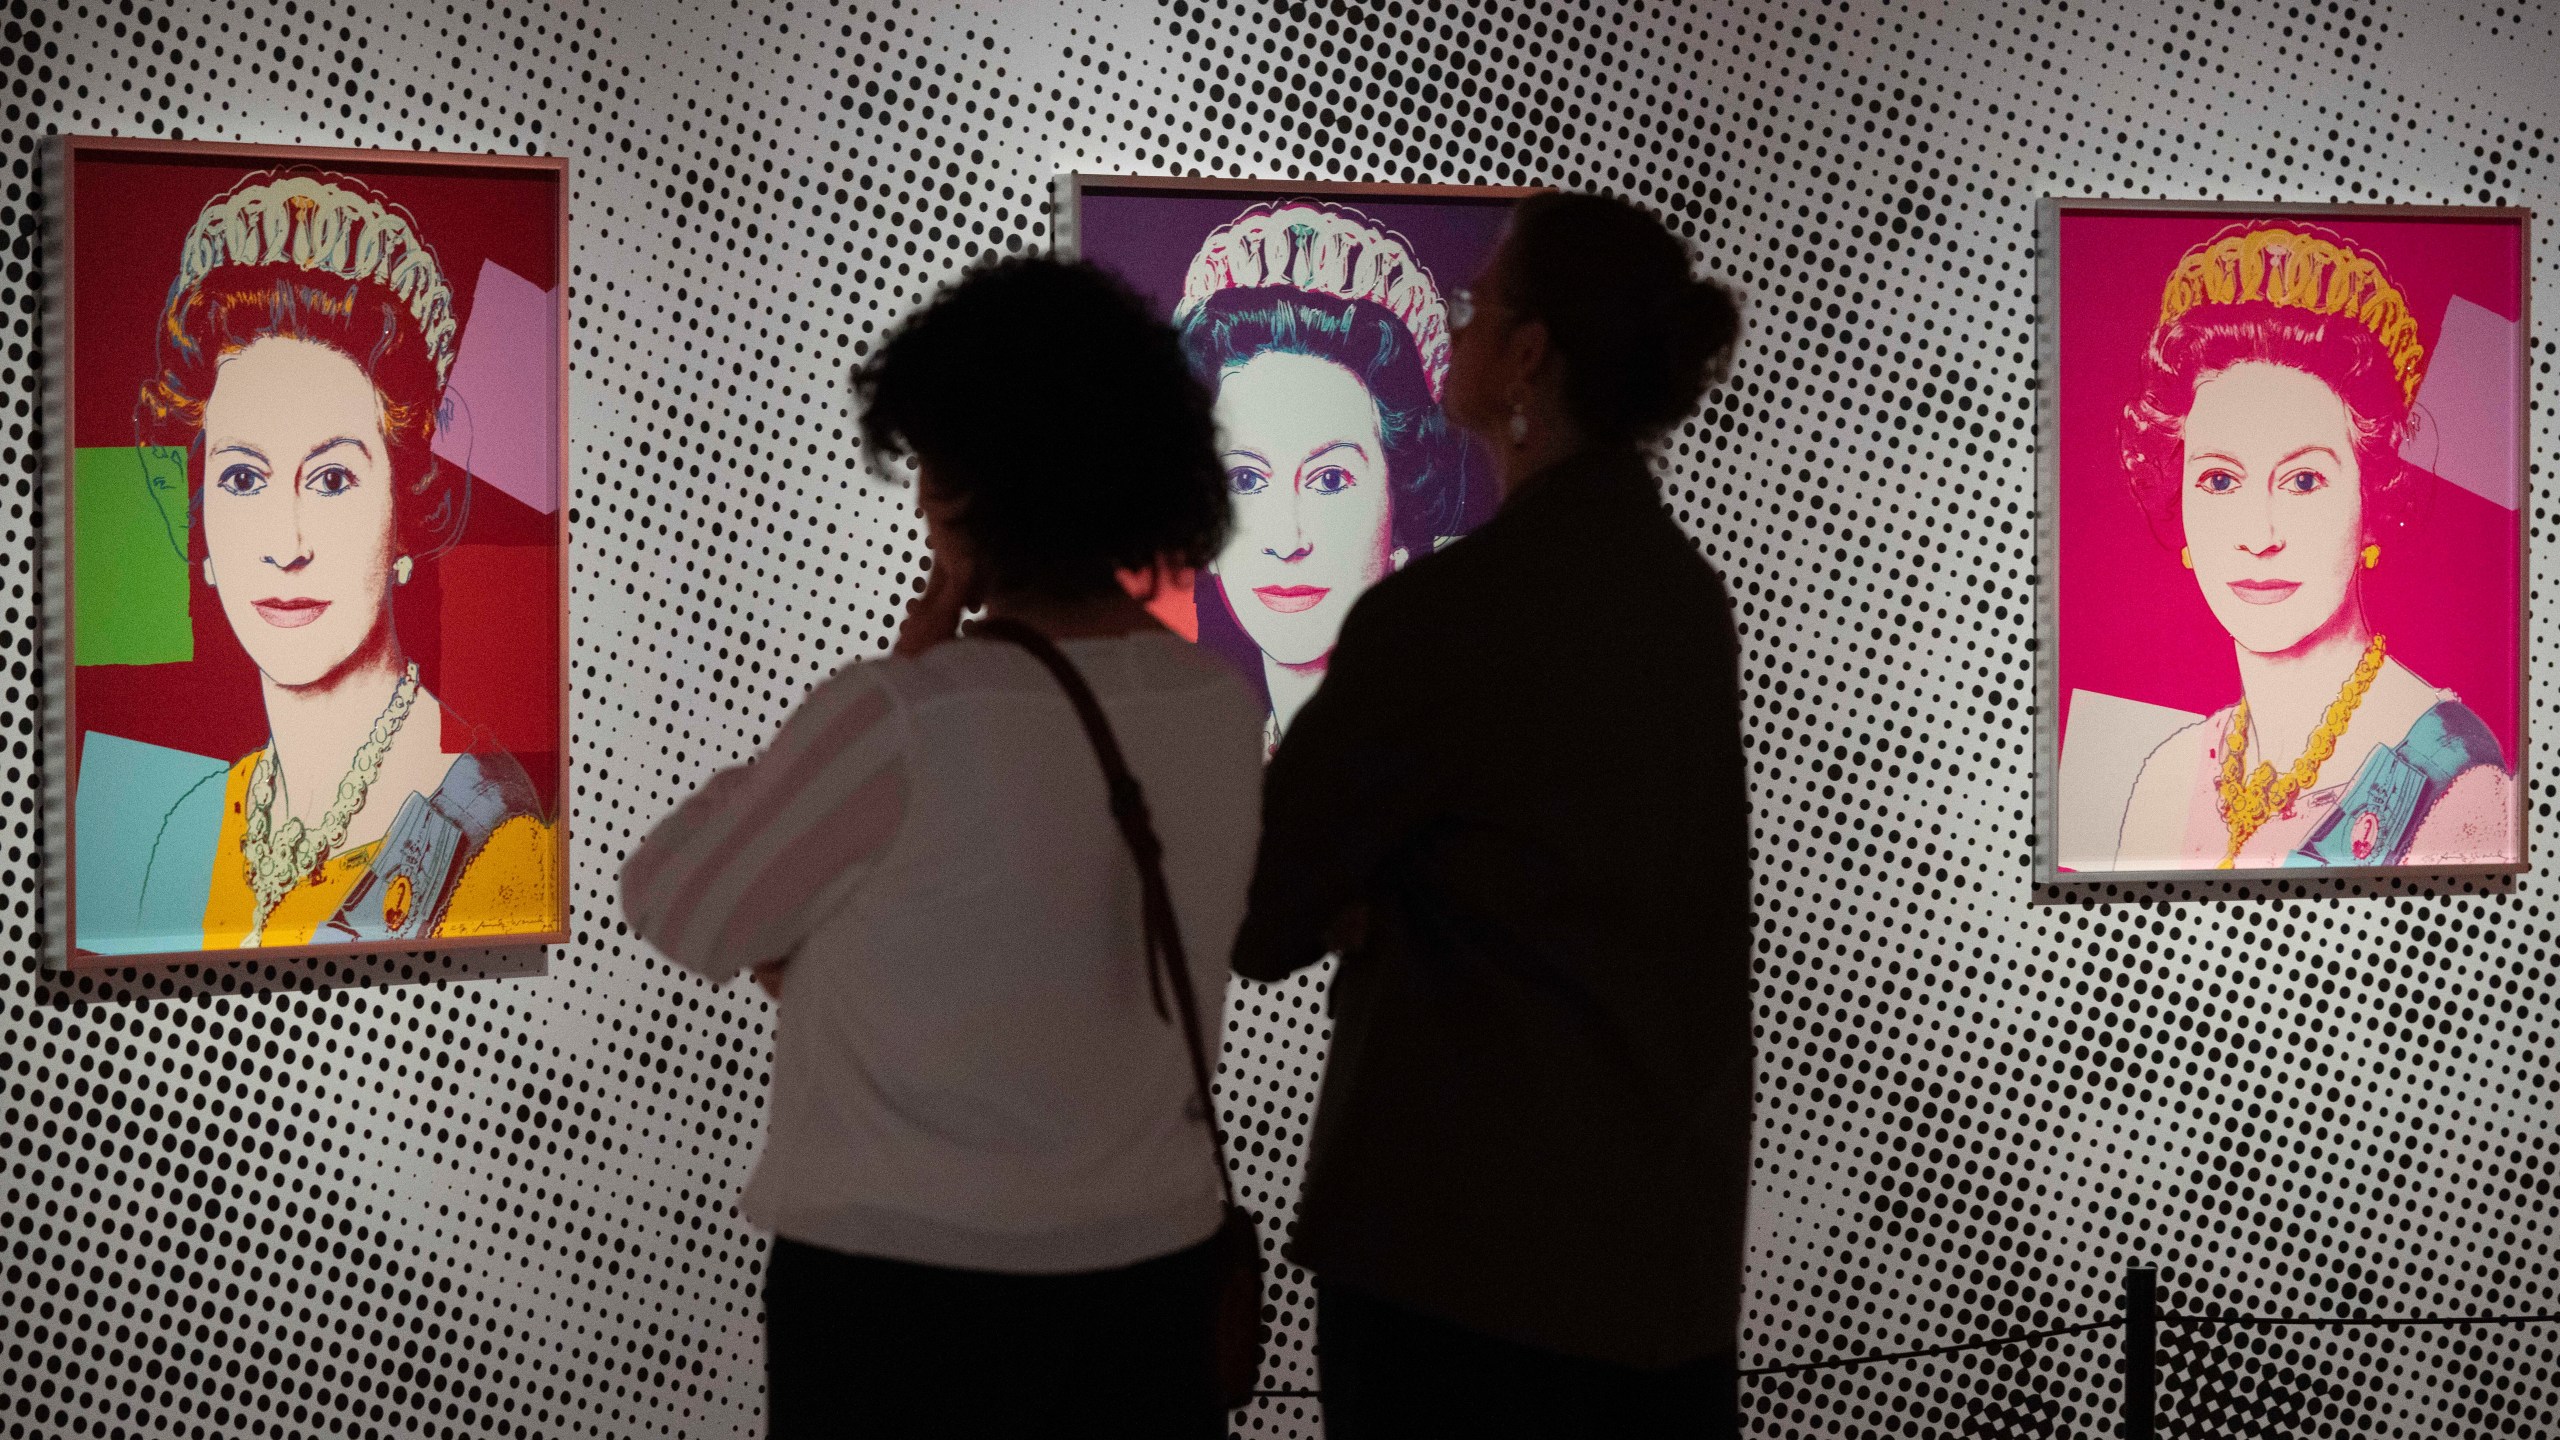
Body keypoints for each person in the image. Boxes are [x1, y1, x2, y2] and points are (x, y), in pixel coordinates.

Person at [619, 257, 1260, 1437]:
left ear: (982, 485)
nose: (920, 503)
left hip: (905, 1318)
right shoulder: (1219, 710)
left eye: (929, 468)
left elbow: (677, 899)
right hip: (1151, 1296)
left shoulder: (905, 718)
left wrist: (905, 678)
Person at [1231, 192, 1753, 1436]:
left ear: (1529, 358)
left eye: (1477, 310)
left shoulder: (1448, 615)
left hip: (1459, 1265)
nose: (1456, 333)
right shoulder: (1681, 599)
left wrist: (1374, 891)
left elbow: (1260, 917)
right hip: (1652, 1264)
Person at [124, 171, 554, 948]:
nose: (286, 546)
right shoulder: (191, 827)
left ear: (404, 514)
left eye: (331, 479)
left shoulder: (497, 838)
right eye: (244, 478)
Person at [2111, 224, 2514, 869]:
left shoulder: (2456, 784)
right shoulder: (2165, 781)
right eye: (2219, 480)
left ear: (2373, 505)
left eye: (2303, 480)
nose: (2259, 535)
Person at [1174, 202, 1475, 750]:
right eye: (1246, 480)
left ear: (1401, 517)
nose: (1288, 541)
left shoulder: (1455, 754)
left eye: (1330, 479)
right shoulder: (1193, 763)